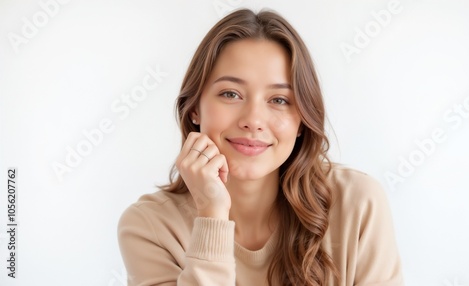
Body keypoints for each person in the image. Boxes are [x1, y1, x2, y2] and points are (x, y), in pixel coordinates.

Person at [118, 8, 404, 286]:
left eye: (279, 99)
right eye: (231, 94)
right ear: (194, 109)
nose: (253, 121)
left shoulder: (358, 203)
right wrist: (212, 215)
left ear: (302, 119)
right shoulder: (149, 227)